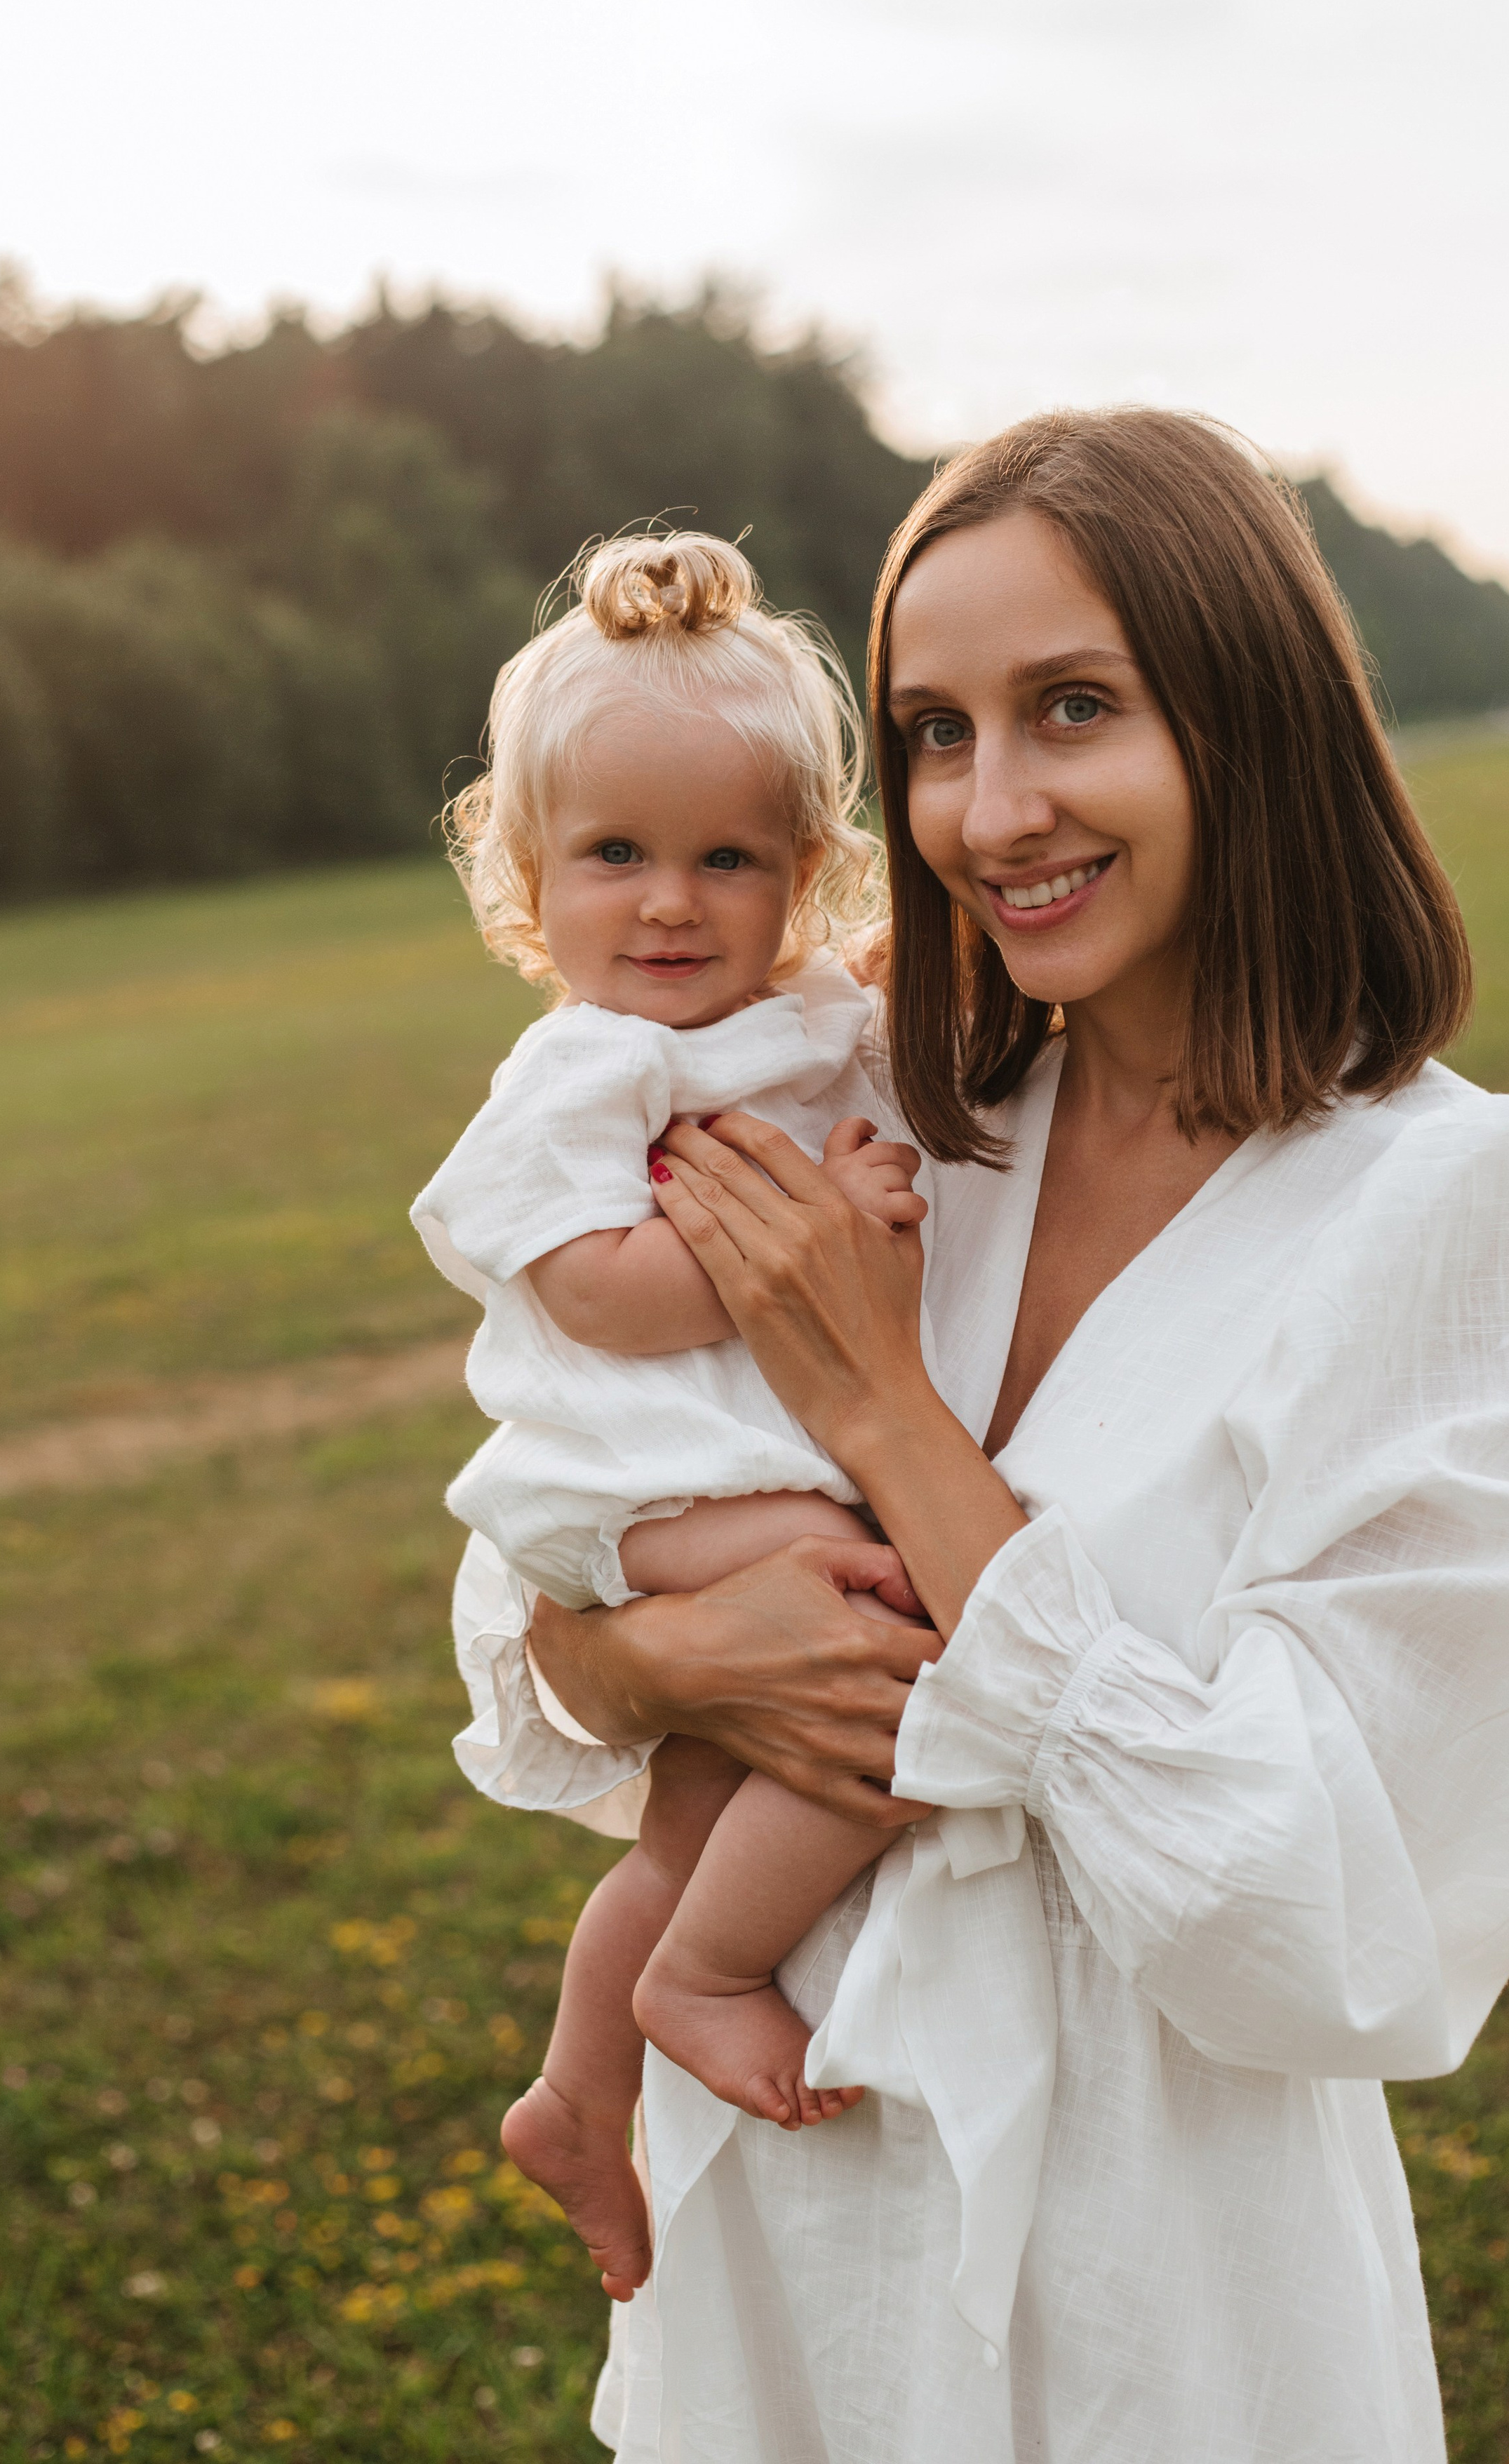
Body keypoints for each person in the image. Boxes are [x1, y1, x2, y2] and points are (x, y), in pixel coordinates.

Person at [451, 407, 1509, 2463]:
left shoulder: (1465, 1211)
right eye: (933, 731)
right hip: (779, 2248)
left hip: (1156, 2302)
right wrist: (642, 1659)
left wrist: (894, 1422)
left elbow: (1337, 1922)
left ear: (1250, 721)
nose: (991, 809)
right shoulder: (893, 1123)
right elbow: (552, 1546)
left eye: (1073, 708)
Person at [414, 530, 963, 2308]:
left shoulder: (791, 1015)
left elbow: (883, 997)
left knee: (706, 1797)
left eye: (726, 858)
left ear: (801, 875)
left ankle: (580, 2089)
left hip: (732, 1454)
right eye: (615, 857)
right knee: (882, 1616)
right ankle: (701, 1983)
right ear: (528, 876)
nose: (668, 903)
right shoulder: (587, 1065)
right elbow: (593, 1286)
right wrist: (810, 1240)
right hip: (633, 1481)